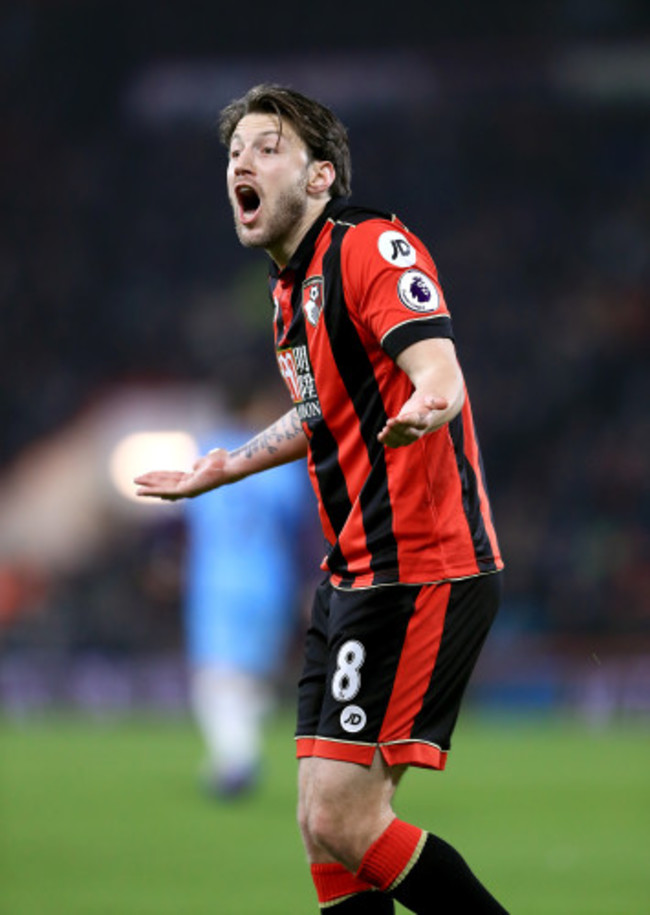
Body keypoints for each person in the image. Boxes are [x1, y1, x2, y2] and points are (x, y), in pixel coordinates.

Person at [135, 84, 508, 913]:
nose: (243, 160)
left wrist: (429, 404)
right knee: (319, 823)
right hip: (352, 576)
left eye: (268, 146)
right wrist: (223, 466)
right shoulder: (288, 293)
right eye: (234, 151)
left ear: (319, 177)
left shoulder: (372, 247)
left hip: (421, 566)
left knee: (347, 817)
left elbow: (438, 369)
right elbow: (322, 411)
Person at [183, 386, 313, 798]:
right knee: (251, 676)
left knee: (218, 675)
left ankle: (236, 759)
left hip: (217, 580)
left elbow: (184, 514)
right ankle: (237, 751)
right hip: (269, 580)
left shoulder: (206, 450)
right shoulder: (281, 460)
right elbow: (299, 526)